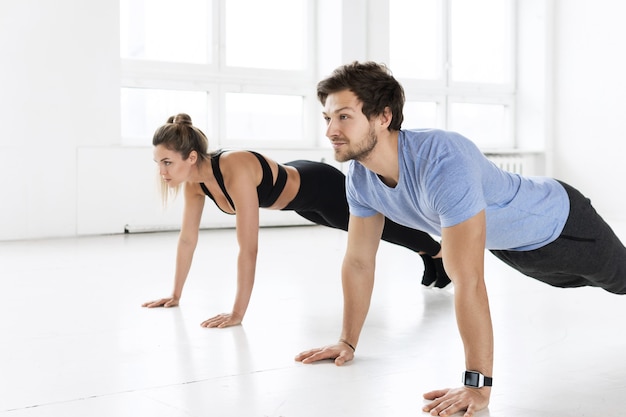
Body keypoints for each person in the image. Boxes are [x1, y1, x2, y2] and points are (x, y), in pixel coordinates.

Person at [294, 61, 626, 417]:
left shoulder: (441, 158)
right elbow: (359, 261)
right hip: (512, 248)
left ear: (383, 117)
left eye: (343, 116)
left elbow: (468, 279)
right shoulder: (359, 178)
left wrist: (476, 386)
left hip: (563, 228)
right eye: (326, 118)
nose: (330, 130)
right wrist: (347, 341)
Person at [142, 113, 450, 329]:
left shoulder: (234, 168)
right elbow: (187, 239)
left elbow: (248, 248)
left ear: (191, 157)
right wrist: (175, 294)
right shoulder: (196, 185)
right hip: (299, 203)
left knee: (381, 228)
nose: (162, 171)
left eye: (168, 162)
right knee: (377, 229)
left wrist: (237, 312)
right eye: (159, 163)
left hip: (318, 186)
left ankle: (435, 253)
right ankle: (431, 254)